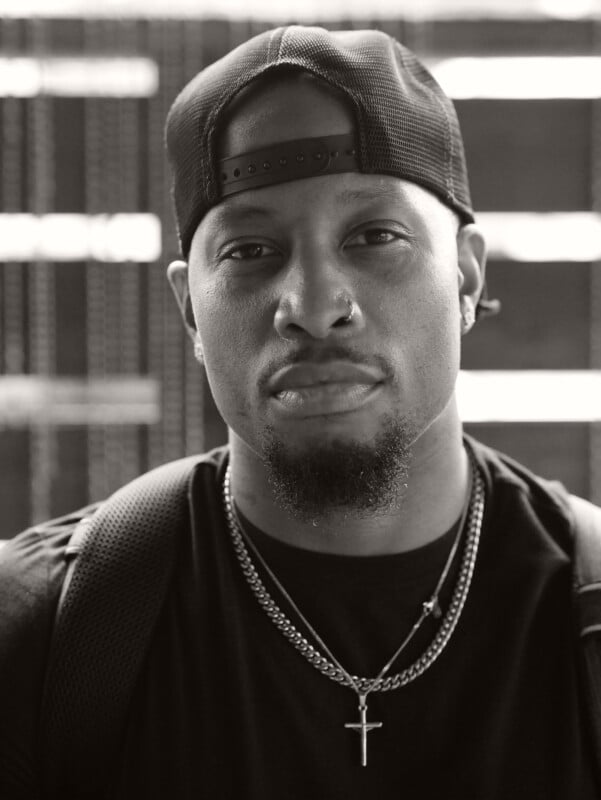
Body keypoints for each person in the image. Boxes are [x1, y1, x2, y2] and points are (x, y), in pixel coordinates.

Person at [1, 25, 600, 799]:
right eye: (249, 251)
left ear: (463, 276)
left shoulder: (583, 618)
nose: (314, 307)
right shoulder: (47, 636)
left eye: (374, 235)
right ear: (190, 311)